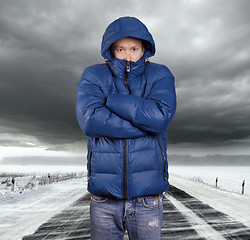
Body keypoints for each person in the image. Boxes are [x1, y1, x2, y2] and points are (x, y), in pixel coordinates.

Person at [76, 16, 177, 240]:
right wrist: (145, 125)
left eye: (134, 48)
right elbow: (90, 120)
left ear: (144, 49)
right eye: (120, 49)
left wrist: (111, 101)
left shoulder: (160, 74)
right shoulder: (93, 75)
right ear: (110, 50)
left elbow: (160, 118)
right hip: (104, 199)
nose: (128, 55)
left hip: (148, 199)